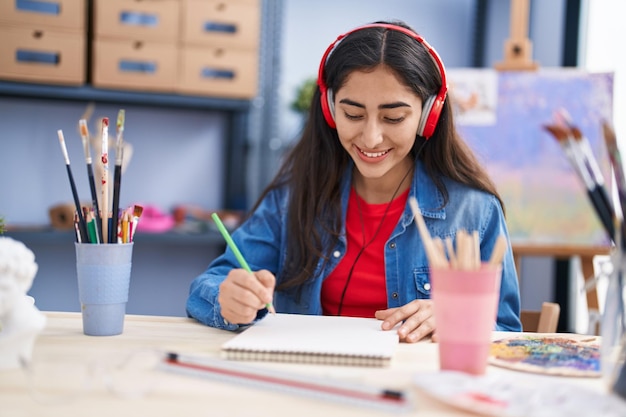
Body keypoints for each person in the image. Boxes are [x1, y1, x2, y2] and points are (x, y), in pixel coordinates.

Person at [186, 20, 522, 342]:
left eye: (393, 117)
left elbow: (506, 330)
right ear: (330, 110)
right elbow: (205, 288)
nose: (371, 137)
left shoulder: (474, 211)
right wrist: (228, 299)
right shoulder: (292, 200)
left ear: (428, 115)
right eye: (353, 115)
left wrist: (459, 319)